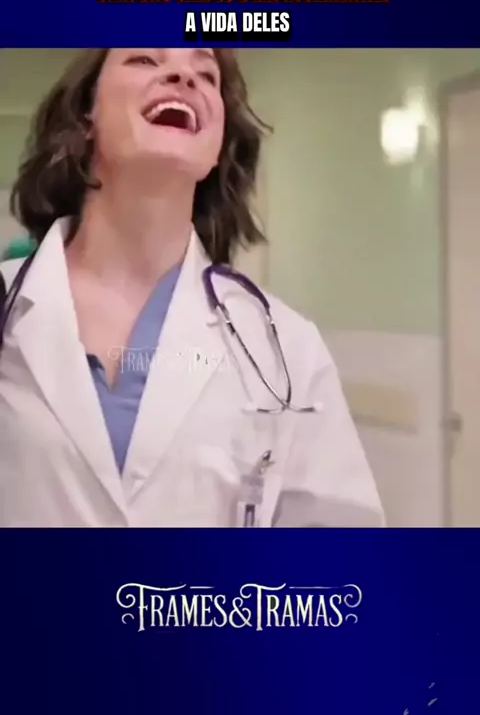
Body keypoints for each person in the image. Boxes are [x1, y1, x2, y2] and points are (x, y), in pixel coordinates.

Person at [0, 48, 385, 528]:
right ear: (85, 115)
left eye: (206, 74)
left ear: (217, 144)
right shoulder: (9, 308)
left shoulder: (285, 349)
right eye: (144, 59)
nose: (183, 75)